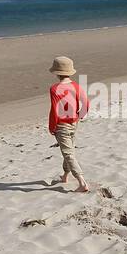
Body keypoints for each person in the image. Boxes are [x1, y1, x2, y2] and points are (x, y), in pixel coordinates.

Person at [47, 55, 89, 192]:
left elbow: (54, 110)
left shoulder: (54, 89)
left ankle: (82, 182)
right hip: (74, 123)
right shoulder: (76, 86)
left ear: (57, 73)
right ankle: (65, 175)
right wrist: (80, 115)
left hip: (61, 124)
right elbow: (86, 103)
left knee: (68, 153)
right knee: (69, 150)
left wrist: (52, 127)